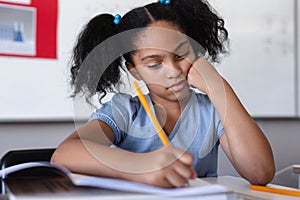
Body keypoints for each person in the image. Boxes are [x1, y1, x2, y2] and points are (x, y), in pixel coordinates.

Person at [51, 0, 275, 188]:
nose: (174, 71)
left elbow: (260, 172)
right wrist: (140, 166)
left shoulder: (213, 109)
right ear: (135, 71)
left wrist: (218, 86)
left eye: (181, 55)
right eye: (155, 64)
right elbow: (64, 154)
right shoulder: (125, 111)